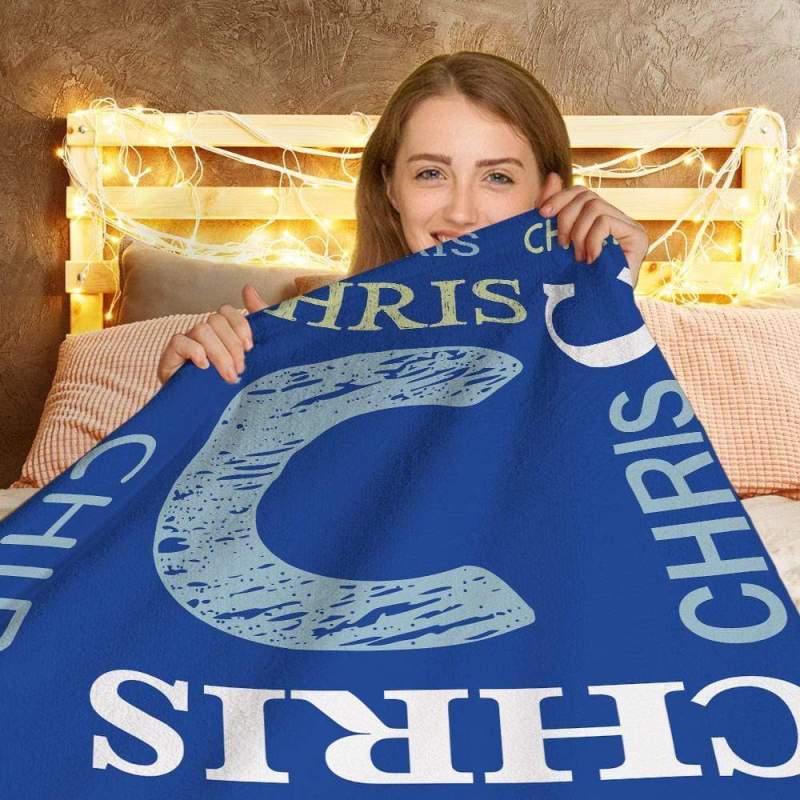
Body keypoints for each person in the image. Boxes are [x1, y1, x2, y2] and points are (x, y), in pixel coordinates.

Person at [156, 50, 649, 386]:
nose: (461, 211)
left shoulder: (596, 334)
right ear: (391, 185)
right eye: (431, 173)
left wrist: (609, 298)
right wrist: (194, 404)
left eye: (497, 177)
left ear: (548, 193)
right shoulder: (303, 353)